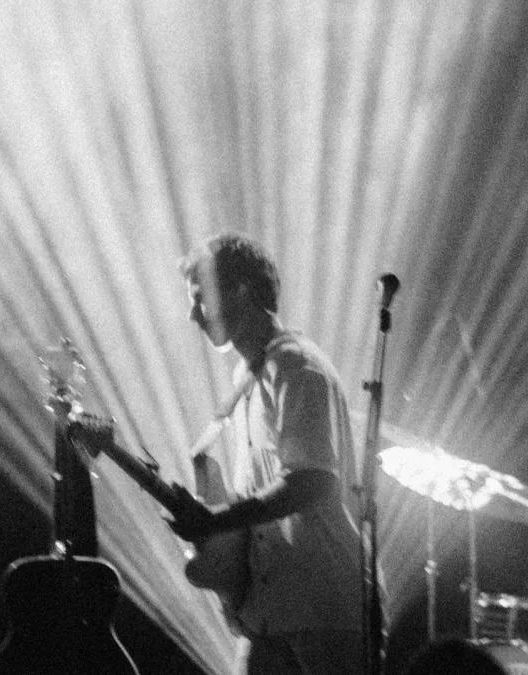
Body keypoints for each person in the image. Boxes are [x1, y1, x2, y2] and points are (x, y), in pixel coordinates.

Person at [166, 233, 366, 675]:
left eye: (200, 299)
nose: (192, 314)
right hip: (270, 608)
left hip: (326, 608)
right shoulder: (246, 378)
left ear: (239, 290)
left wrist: (214, 521)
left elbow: (311, 482)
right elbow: (256, 497)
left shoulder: (296, 367)